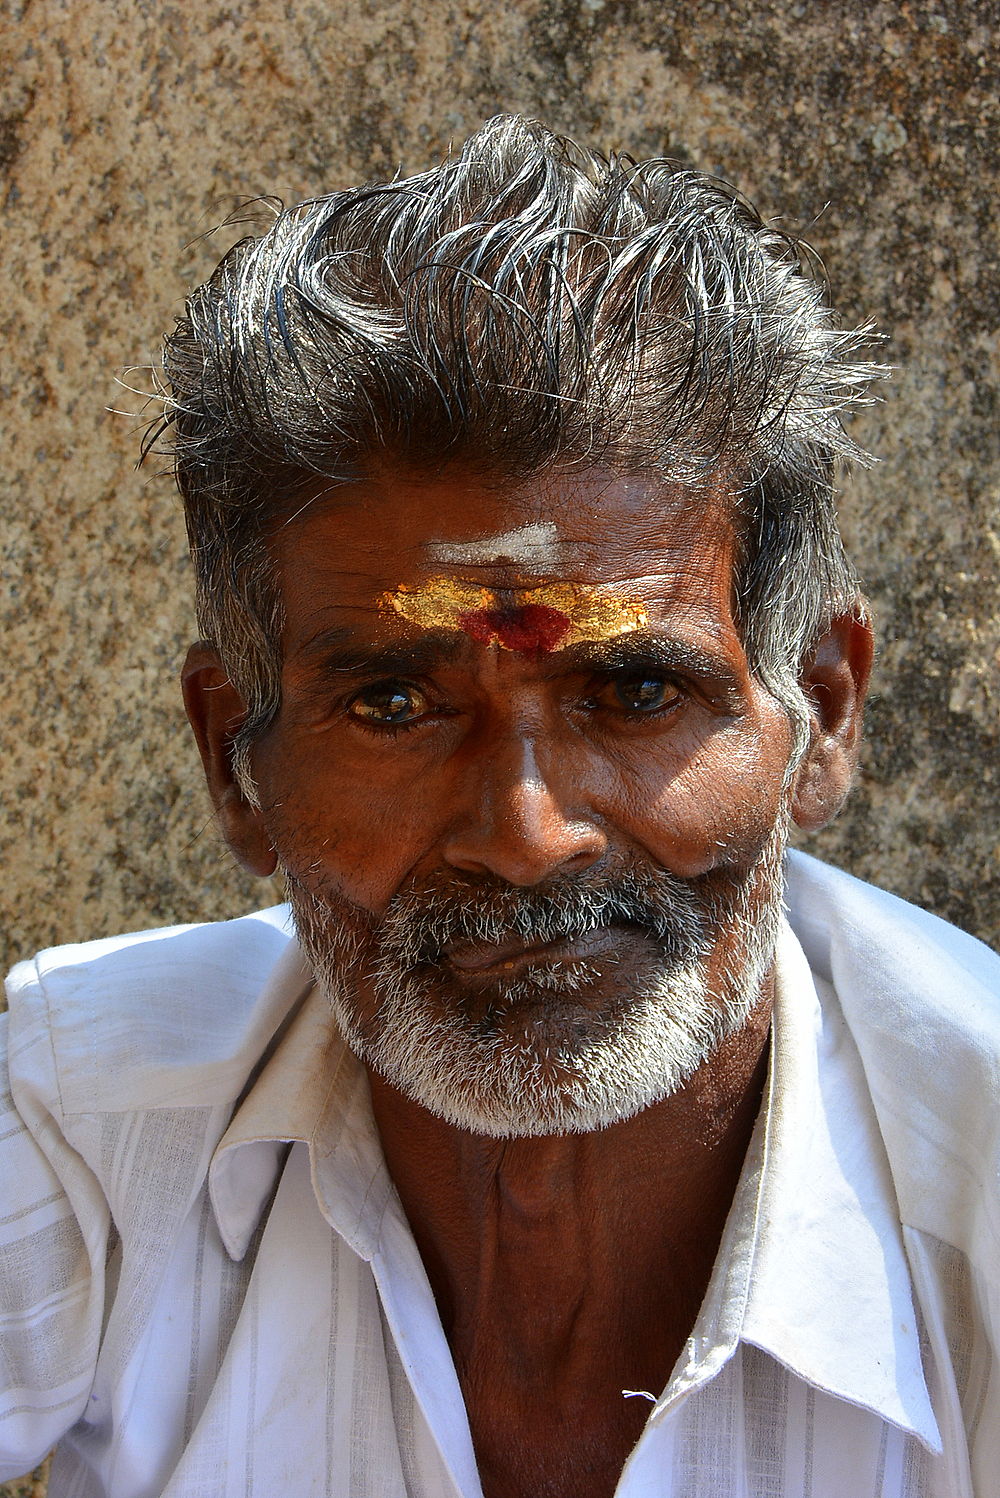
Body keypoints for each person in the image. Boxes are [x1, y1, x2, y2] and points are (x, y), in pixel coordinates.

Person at [2, 115, 997, 1498]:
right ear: (237, 760)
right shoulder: (88, 1121)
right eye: (397, 707)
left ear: (819, 714)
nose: (528, 834)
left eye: (637, 690)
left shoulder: (984, 1176)